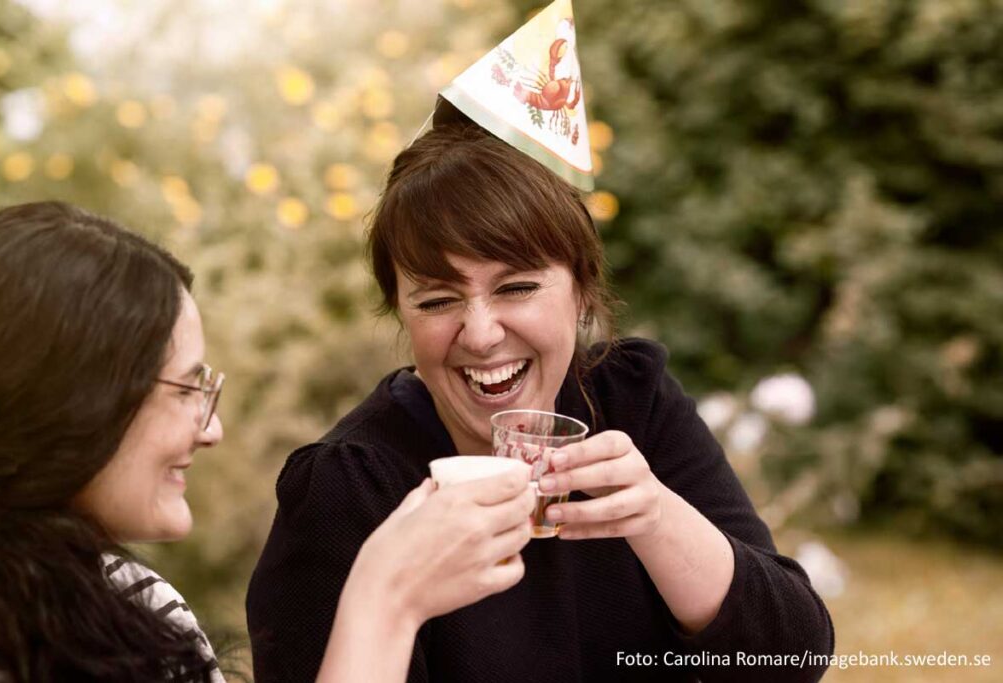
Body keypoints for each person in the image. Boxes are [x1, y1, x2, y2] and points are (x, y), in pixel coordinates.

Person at [246, 123, 835, 683]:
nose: (479, 334)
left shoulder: (633, 400)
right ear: (400, 311)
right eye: (436, 301)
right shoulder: (346, 487)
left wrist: (655, 516)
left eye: (517, 287)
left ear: (581, 292)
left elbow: (794, 656)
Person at [0, 201, 535, 683]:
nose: (211, 429)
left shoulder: (124, 602)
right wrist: (383, 603)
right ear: (73, 401)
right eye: (183, 390)